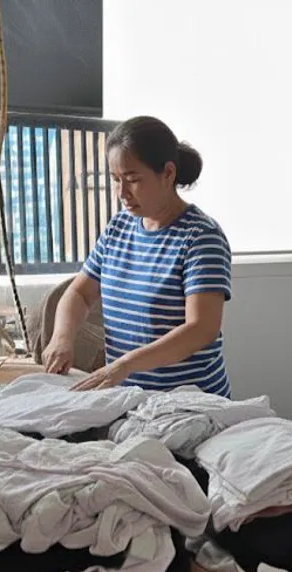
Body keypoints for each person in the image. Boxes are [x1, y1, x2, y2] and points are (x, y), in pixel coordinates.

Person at [44, 116, 233, 396]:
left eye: (133, 180)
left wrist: (125, 364)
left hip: (189, 403)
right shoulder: (118, 228)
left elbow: (201, 328)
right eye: (115, 180)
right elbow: (80, 293)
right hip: (127, 400)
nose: (122, 192)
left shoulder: (201, 237)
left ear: (168, 174)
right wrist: (62, 338)